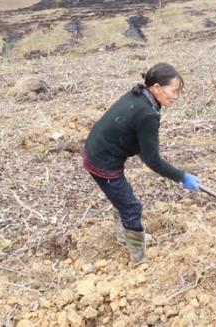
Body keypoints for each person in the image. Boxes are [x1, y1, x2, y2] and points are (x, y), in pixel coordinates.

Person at [82, 63, 200, 262]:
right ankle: (139, 256)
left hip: (98, 150)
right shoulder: (147, 113)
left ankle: (123, 236)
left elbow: (133, 135)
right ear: (156, 88)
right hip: (102, 161)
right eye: (173, 91)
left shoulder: (139, 96)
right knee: (131, 207)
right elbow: (152, 160)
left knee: (122, 199)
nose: (175, 96)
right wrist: (182, 177)